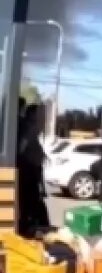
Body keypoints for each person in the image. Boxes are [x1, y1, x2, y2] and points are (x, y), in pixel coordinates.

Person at [15, 101, 50, 238]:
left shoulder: (27, 126)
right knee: (31, 202)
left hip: (30, 170)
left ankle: (31, 226)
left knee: (30, 202)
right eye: (39, 115)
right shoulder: (29, 127)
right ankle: (31, 228)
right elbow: (21, 147)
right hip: (28, 171)